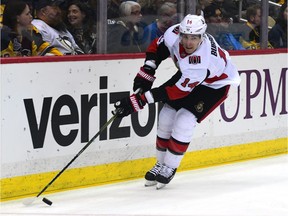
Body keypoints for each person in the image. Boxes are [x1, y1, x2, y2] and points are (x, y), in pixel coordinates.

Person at [112, 15, 241, 189]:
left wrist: (138, 101)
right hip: (188, 76)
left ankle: (170, 166)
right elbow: (158, 46)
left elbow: (176, 91)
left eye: (194, 38)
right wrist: (147, 71)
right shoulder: (174, 32)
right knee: (166, 115)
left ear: (202, 37)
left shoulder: (201, 62)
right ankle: (160, 163)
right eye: (185, 36)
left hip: (214, 85)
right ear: (180, 32)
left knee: (184, 120)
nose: (188, 42)